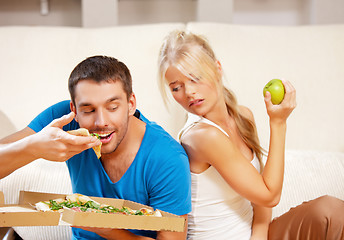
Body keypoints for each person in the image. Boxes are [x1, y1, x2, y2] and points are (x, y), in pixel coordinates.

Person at [157, 31, 344, 240]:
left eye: (195, 78)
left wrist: (259, 237)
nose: (189, 92)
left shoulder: (243, 116)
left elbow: (261, 202)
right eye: (176, 87)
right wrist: (278, 122)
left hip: (255, 236)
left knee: (329, 212)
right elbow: (270, 195)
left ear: (217, 69)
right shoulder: (202, 136)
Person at [0, 55, 191, 240]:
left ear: (131, 104)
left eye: (112, 107)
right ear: (74, 110)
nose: (101, 122)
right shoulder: (63, 121)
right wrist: (33, 147)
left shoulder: (167, 158)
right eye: (89, 110)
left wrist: (106, 229)